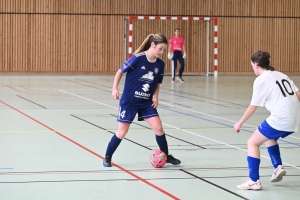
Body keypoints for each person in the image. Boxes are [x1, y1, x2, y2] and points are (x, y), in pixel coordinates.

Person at [103, 33, 181, 167]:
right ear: (153, 45)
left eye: (164, 49)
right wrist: (114, 88)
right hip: (129, 102)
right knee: (122, 132)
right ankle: (107, 157)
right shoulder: (137, 58)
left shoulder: (160, 64)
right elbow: (119, 72)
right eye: (160, 48)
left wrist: (156, 96)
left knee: (159, 128)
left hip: (146, 102)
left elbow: (157, 82)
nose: (162, 52)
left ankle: (166, 156)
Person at [234, 51, 300, 190]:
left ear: (256, 64)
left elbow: (253, 107)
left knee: (252, 142)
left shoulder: (261, 80)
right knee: (268, 136)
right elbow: (298, 94)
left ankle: (254, 181)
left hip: (281, 119)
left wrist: (239, 123)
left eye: (252, 64)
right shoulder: (280, 74)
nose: (252, 67)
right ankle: (278, 167)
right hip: (294, 118)